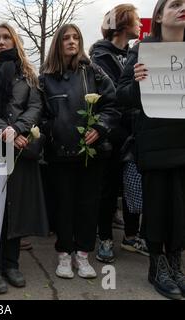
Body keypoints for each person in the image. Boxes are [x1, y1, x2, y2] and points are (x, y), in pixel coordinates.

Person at [0, 23, 49, 294]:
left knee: (16, 207)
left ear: (14, 41)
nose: (1, 42)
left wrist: (18, 129)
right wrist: (4, 130)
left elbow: (36, 105)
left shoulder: (27, 74)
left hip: (19, 147)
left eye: (6, 37)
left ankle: (11, 263)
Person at [116, 0, 185, 300]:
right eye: (176, 4)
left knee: (181, 208)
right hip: (155, 145)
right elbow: (121, 96)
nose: (183, 8)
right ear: (159, 15)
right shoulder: (142, 50)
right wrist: (138, 82)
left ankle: (175, 263)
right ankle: (157, 265)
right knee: (157, 207)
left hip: (183, 143)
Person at [39, 24, 119, 280]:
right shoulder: (45, 77)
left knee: (88, 204)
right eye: (66, 38)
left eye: (76, 37)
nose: (72, 42)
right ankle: (64, 253)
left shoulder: (93, 71)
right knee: (63, 205)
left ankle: (83, 255)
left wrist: (100, 127)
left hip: (91, 153)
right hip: (59, 153)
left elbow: (112, 104)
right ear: (58, 43)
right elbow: (38, 113)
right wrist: (53, 129)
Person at [89, 4, 147, 263]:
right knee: (108, 187)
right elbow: (112, 94)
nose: (141, 26)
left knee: (133, 184)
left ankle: (132, 236)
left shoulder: (136, 53)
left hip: (135, 129)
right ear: (123, 24)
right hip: (113, 131)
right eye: (136, 21)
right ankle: (105, 238)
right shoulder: (100, 57)